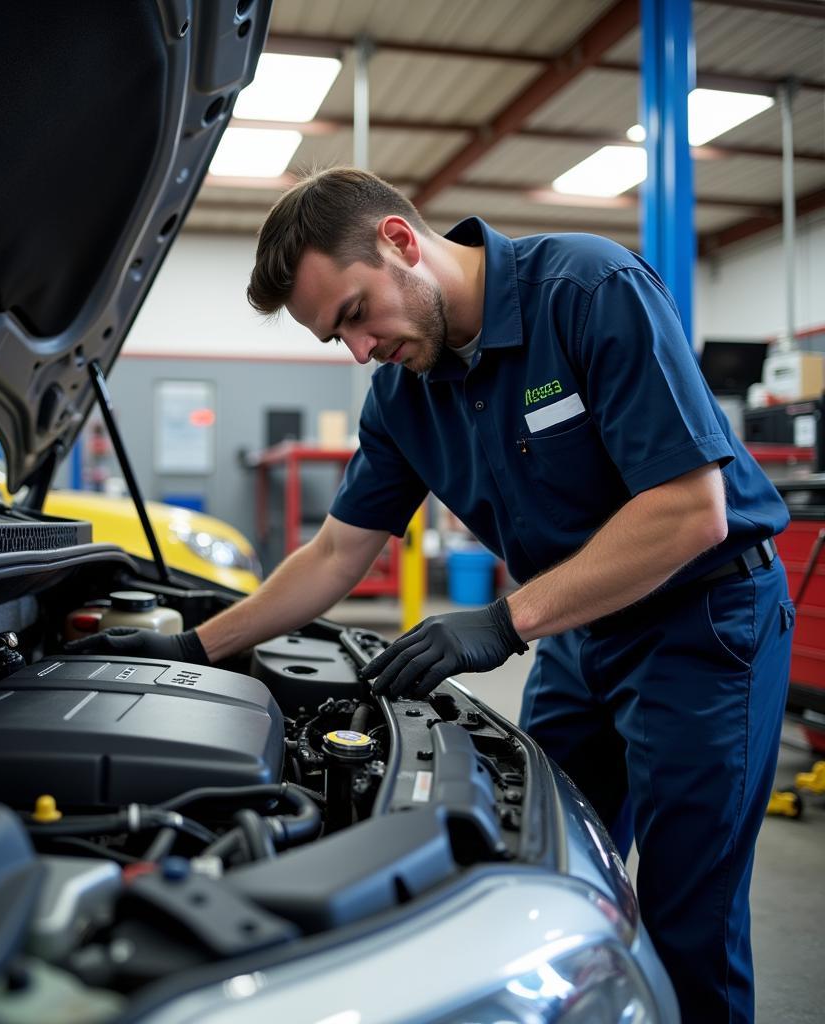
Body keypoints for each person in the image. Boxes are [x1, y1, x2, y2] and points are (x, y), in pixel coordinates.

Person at [72, 167, 794, 1023]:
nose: (360, 351)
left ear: (400, 241)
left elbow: (689, 510)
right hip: (581, 633)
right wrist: (195, 650)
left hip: (703, 623)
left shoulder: (590, 290)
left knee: (688, 923)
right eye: (334, 339)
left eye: (352, 315)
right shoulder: (404, 398)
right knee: (536, 872)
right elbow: (337, 550)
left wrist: (501, 621)